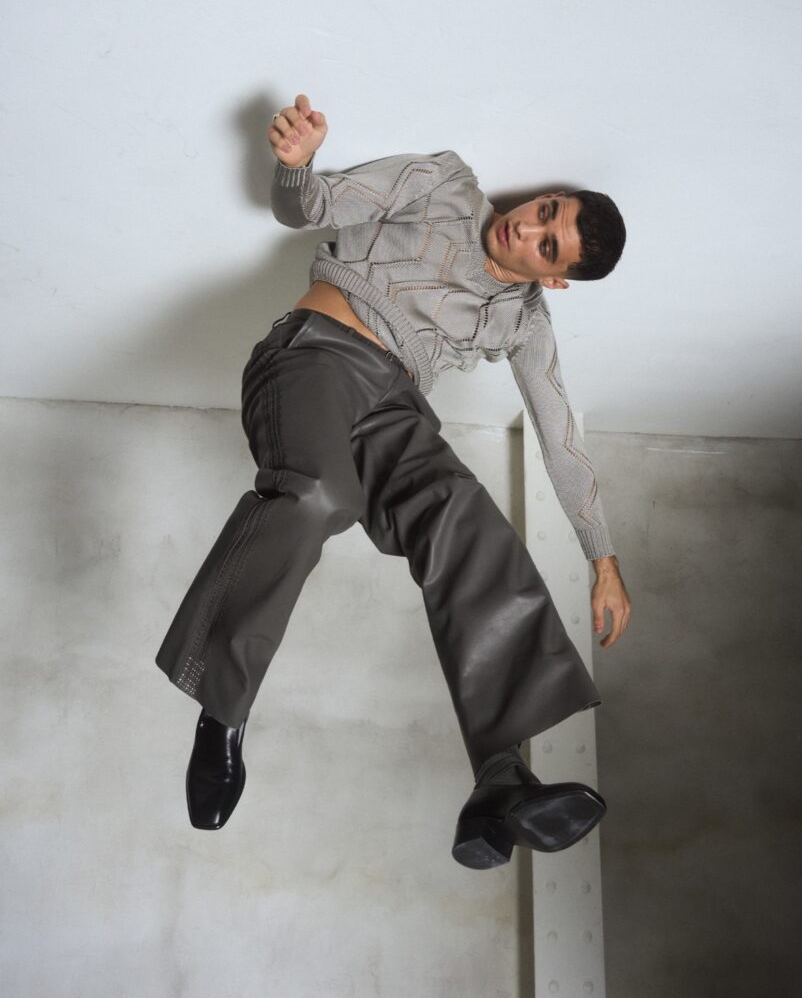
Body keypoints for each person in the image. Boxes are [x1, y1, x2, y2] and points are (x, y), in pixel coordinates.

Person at [154, 93, 632, 869]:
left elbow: (559, 433)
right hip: (315, 355)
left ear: (555, 280)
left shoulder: (523, 321)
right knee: (318, 496)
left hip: (394, 408)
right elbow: (312, 205)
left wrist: (602, 557)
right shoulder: (446, 184)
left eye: (547, 245)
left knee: (465, 519)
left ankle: (501, 778)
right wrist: (296, 166)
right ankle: (223, 710)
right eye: (545, 212)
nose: (527, 229)